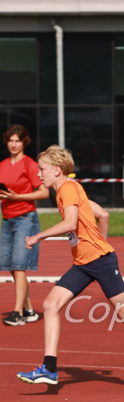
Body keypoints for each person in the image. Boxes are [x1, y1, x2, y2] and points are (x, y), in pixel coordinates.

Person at [16, 145, 124, 386]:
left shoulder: (68, 188)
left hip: (99, 260)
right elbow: (104, 214)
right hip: (83, 263)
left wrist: (38, 236)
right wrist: (100, 242)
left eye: (42, 169)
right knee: (50, 304)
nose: (39, 174)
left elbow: (70, 224)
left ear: (57, 171)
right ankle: (49, 368)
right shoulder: (70, 189)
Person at [0, 125, 50, 326]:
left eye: (17, 140)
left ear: (24, 142)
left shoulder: (29, 164)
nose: (13, 144)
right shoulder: (2, 165)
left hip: (25, 218)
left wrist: (17, 196)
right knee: (12, 267)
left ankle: (17, 312)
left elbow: (44, 192)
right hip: (7, 218)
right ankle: (29, 309)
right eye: (10, 140)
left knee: (19, 267)